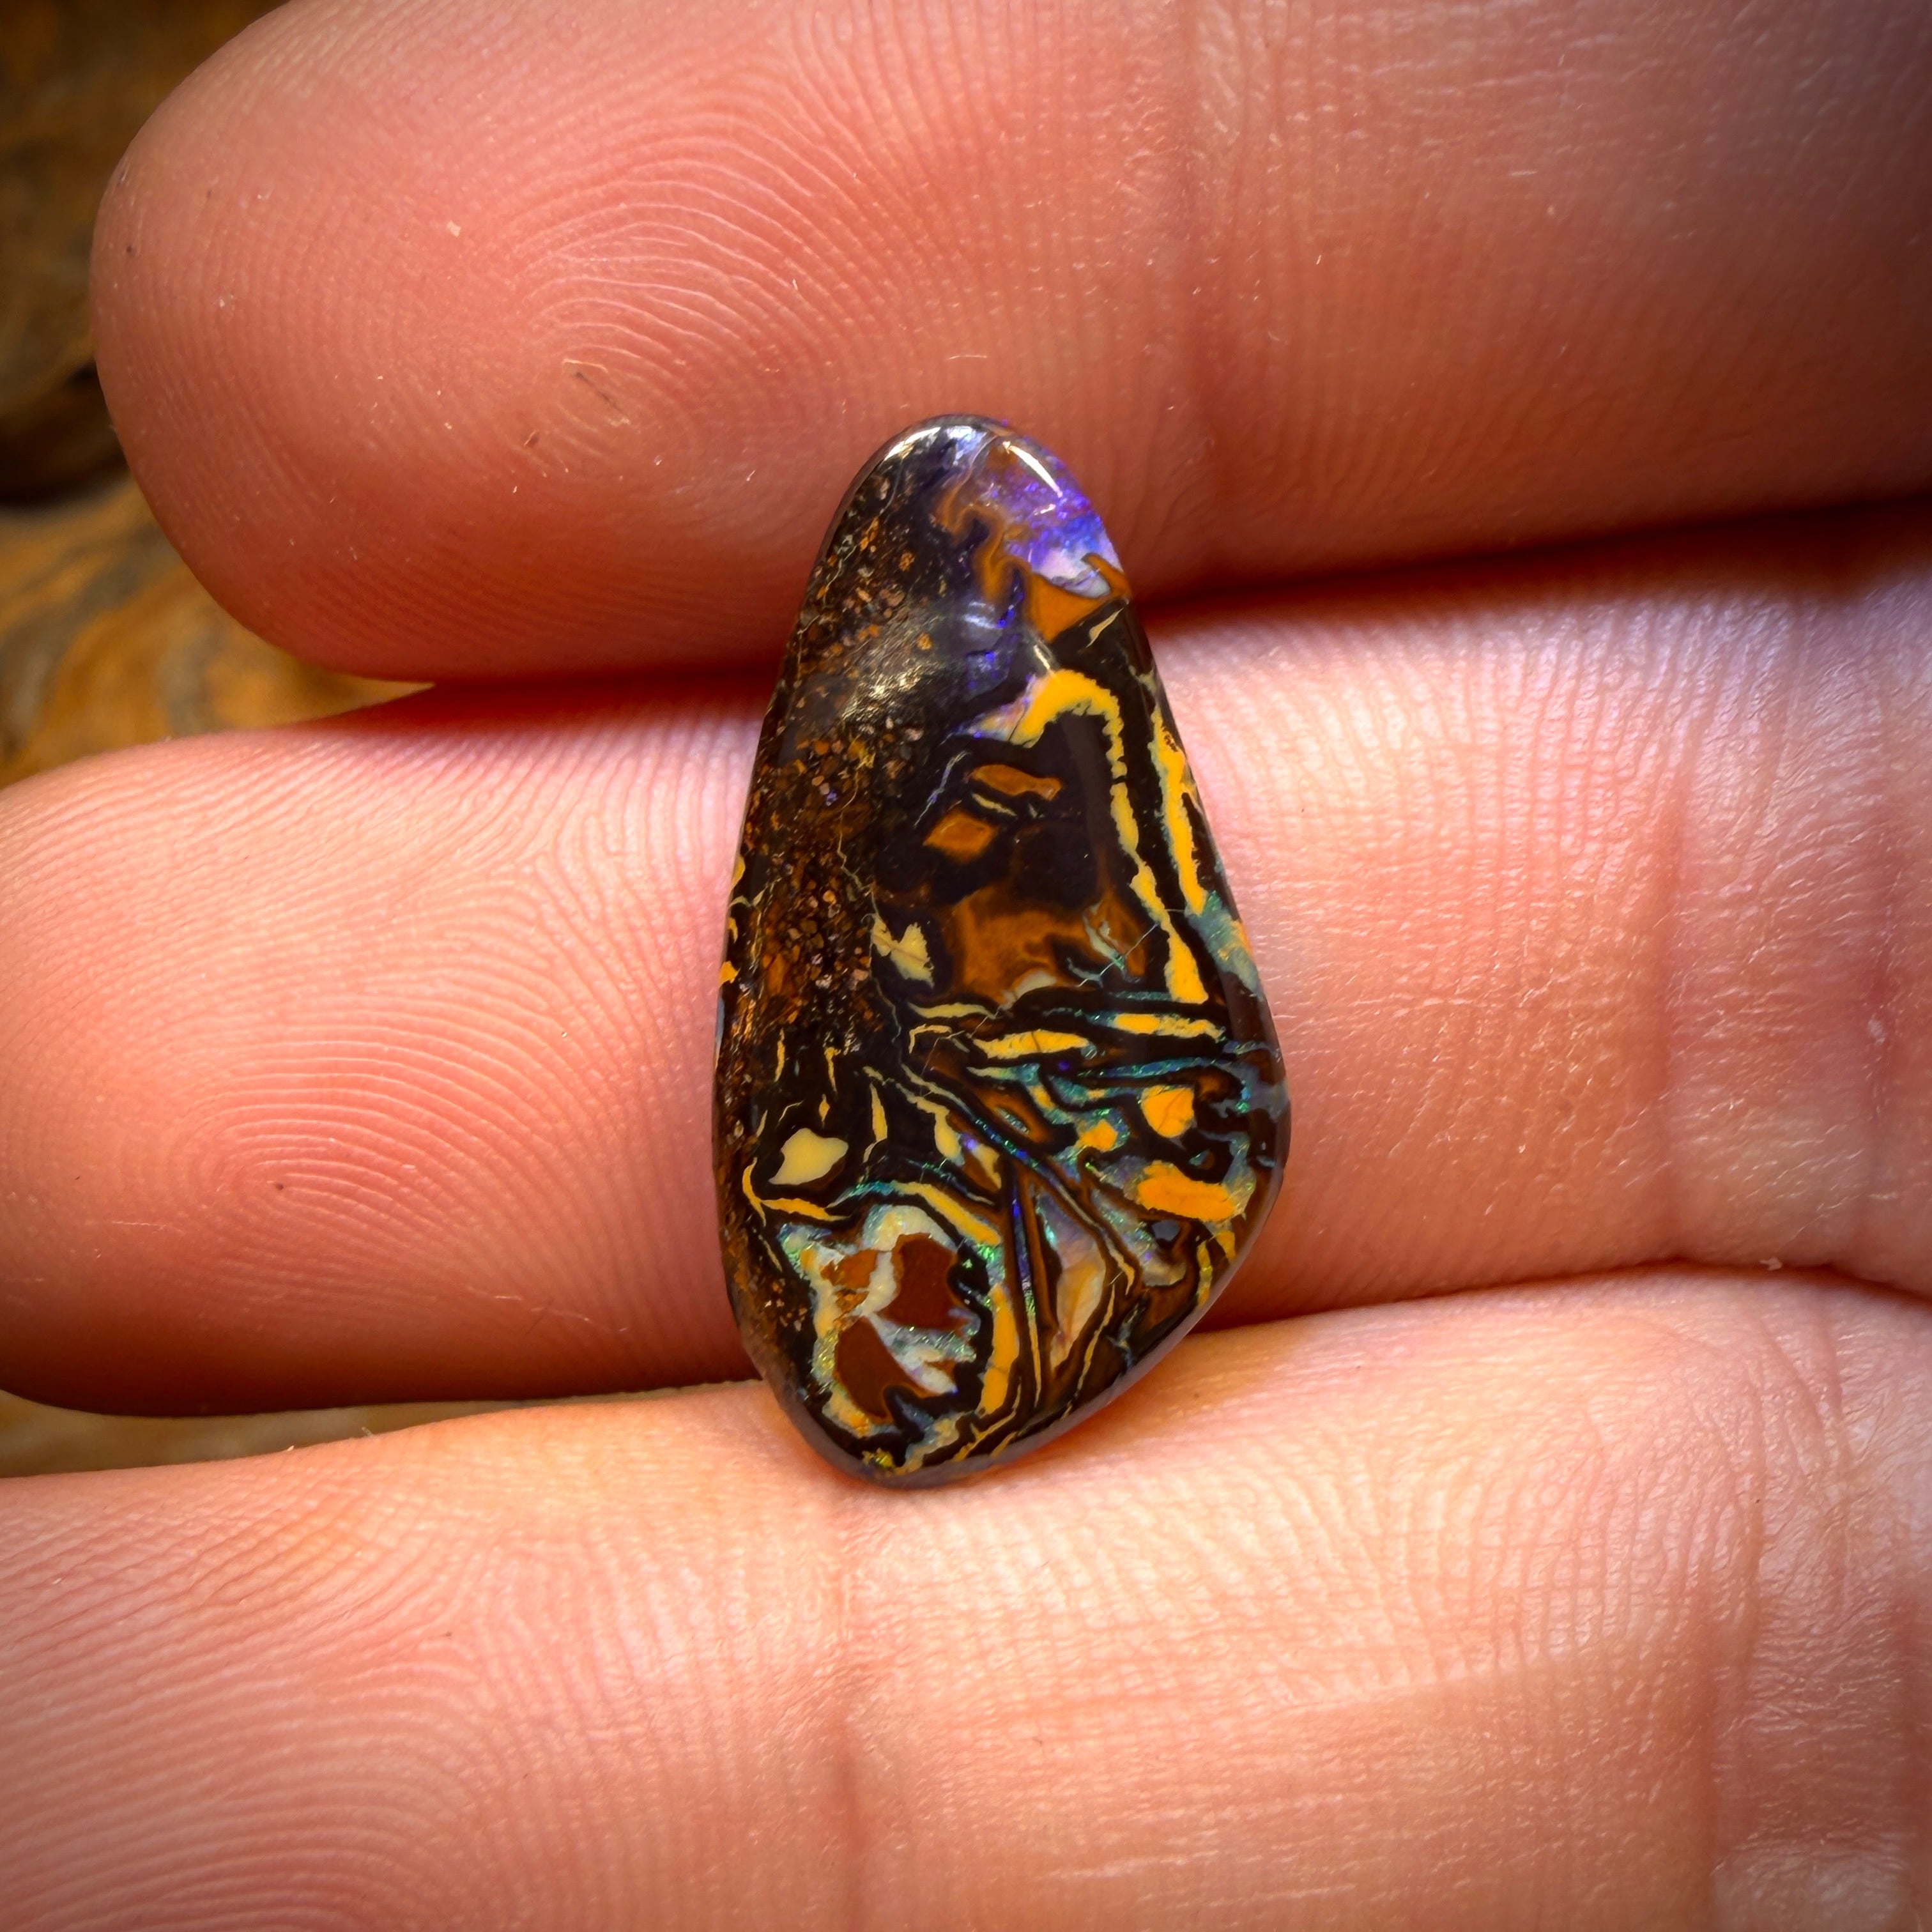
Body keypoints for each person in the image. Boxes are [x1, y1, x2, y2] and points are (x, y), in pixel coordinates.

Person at [3, 0, 1929, 1922]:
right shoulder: (934, 920)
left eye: (1002, 805)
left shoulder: (1084, 1000)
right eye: (973, 810)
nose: (983, 832)